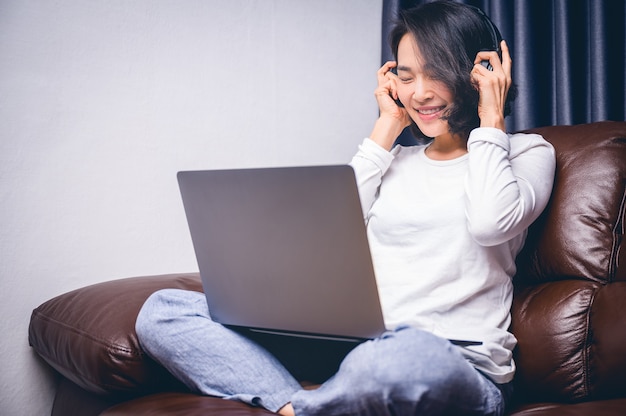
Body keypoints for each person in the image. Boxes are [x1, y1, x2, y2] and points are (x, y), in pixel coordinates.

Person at [135, 1, 556, 415]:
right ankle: (297, 407)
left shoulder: (523, 154)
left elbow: (488, 222)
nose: (420, 93)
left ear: (482, 74)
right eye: (406, 77)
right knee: (164, 310)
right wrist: (387, 127)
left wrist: (491, 117)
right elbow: (323, 239)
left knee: (400, 354)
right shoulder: (394, 163)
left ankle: (321, 402)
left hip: (446, 364)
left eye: (436, 74)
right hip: (356, 351)